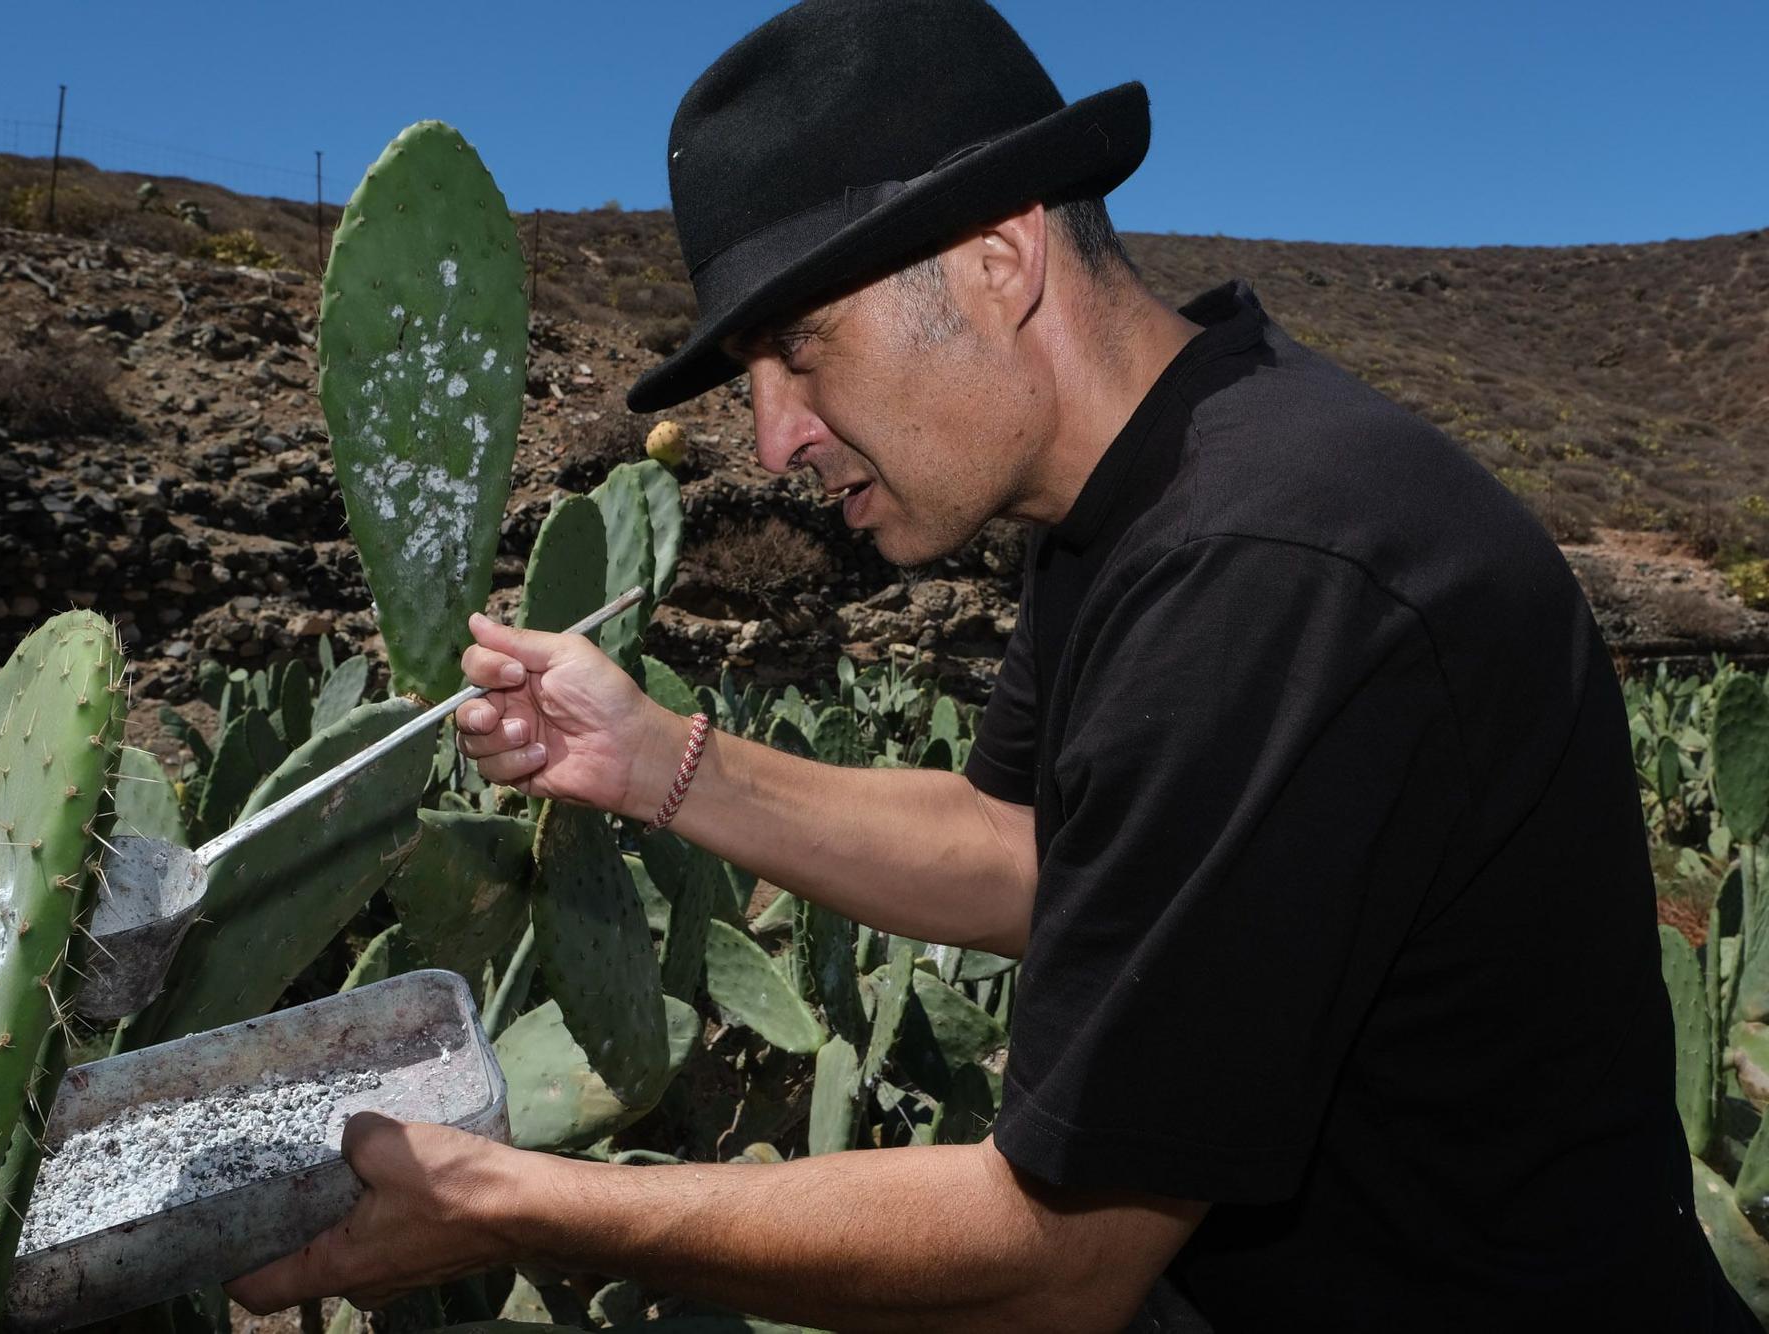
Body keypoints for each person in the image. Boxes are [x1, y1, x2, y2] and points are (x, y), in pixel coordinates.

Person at [231, 1, 1755, 1328]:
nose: (770, 442)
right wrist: (646, 759)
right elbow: (1021, 850)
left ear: (998, 260)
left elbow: (1054, 1257)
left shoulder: (1266, 570)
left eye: (802, 351)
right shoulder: (1141, 491)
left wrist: (518, 1203)